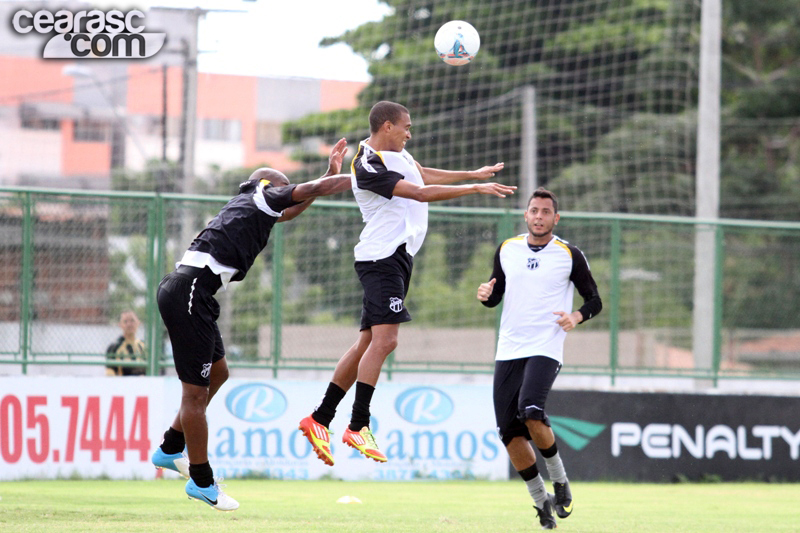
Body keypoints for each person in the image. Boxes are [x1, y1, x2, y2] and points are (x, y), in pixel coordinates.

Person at [299, 100, 517, 466]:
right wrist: (475, 190)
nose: (409, 132)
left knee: (366, 342)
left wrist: (471, 174)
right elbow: (417, 192)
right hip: (381, 258)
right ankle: (358, 425)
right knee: (387, 339)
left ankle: (320, 419)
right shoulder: (366, 163)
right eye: (406, 126)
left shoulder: (400, 155)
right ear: (386, 126)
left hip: (396, 257)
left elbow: (421, 175)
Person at [150, 139, 352, 512]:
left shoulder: (251, 204)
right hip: (190, 291)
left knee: (220, 373)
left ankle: (169, 447)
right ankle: (201, 481)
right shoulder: (264, 194)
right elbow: (304, 194)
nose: (286, 194)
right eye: (283, 189)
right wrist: (363, 177)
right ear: (270, 186)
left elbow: (292, 209)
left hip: (195, 293)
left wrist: (328, 175)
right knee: (194, 395)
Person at [476, 187, 602, 530]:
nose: (539, 217)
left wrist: (575, 317)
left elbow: (594, 301)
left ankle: (560, 480)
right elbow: (495, 294)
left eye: (546, 212)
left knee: (531, 410)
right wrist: (486, 295)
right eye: (534, 211)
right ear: (526, 215)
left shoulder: (569, 254)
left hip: (546, 346)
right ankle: (540, 500)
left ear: (555, 218)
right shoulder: (507, 249)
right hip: (508, 349)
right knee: (509, 432)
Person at [105, 310, 146, 376]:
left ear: (138, 323)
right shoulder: (114, 347)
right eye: (125, 321)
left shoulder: (143, 345)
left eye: (132, 320)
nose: (129, 324)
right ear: (120, 325)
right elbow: (110, 372)